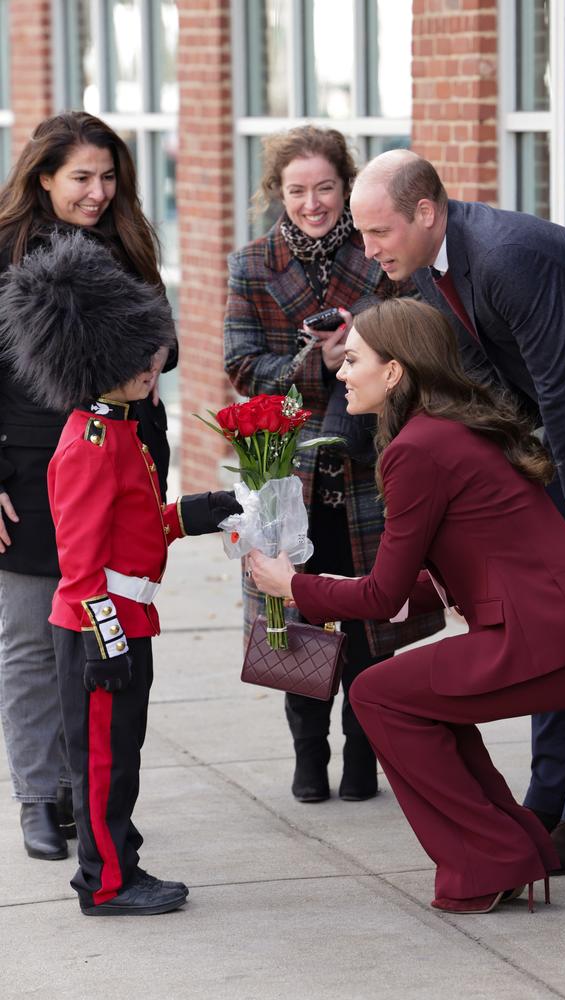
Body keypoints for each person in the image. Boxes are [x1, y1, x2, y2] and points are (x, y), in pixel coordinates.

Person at [249, 298, 565, 915]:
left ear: (395, 372)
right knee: (417, 700)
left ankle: (493, 861)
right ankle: (512, 852)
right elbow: (475, 554)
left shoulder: (415, 449)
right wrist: (399, 596)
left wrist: (291, 585)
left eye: (353, 361)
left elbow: (379, 595)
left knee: (377, 694)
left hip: (558, 640)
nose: (342, 373)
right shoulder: (449, 430)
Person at [348, 148, 565, 875]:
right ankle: (549, 794)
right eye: (362, 235)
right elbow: (486, 375)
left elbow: (563, 386)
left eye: (378, 231)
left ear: (425, 212)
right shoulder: (425, 264)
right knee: (550, 613)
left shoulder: (508, 256)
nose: (368, 249)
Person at [0, 230, 242, 915]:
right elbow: (79, 565)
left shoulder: (121, 429)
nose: (152, 367)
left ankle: (118, 854)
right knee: (104, 763)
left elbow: (135, 530)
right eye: (139, 359)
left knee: (120, 758)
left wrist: (201, 512)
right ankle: (105, 883)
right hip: (98, 627)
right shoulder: (89, 442)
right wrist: (104, 641)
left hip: (122, 618)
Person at [224, 126, 442, 804]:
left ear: (346, 187)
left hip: (370, 463)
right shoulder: (253, 263)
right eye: (297, 191)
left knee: (371, 618)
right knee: (292, 616)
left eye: (324, 188)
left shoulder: (377, 250)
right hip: (289, 471)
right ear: (276, 193)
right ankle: (309, 752)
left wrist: (363, 347)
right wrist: (311, 362)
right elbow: (241, 368)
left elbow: (422, 341)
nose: (312, 203)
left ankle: (362, 757)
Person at [0, 111, 176, 861]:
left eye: (109, 177)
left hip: (125, 465)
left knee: (101, 641)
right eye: (81, 177)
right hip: (29, 472)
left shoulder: (130, 244)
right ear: (43, 177)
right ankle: (40, 796)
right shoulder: (4, 253)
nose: (98, 192)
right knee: (33, 643)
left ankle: (86, 789)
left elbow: (165, 348)